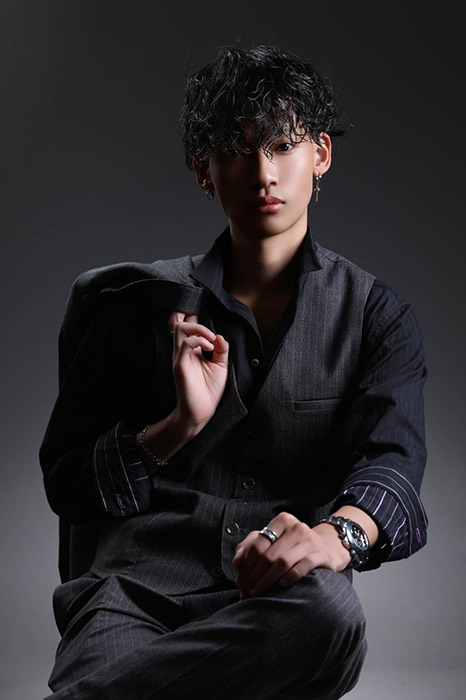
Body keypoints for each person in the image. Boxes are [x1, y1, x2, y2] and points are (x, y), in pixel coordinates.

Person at [40, 45, 428, 700]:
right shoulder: (130, 305)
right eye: (236, 150)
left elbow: (392, 464)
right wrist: (176, 427)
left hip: (278, 607)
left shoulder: (375, 317)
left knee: (331, 615)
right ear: (204, 170)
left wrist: (336, 537)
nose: (262, 173)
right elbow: (67, 481)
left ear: (320, 155)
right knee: (109, 663)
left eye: (282, 146)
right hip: (133, 597)